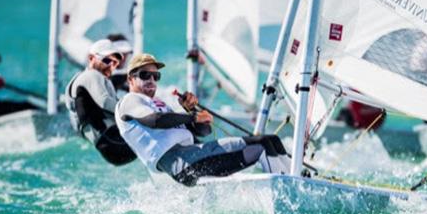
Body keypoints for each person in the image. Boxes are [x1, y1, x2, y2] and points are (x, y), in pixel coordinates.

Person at [115, 53, 290, 186]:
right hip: (183, 165)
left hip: (196, 152)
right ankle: (287, 191)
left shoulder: (159, 104)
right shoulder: (129, 101)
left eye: (156, 76)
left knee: (269, 140)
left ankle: (298, 178)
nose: (152, 80)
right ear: (130, 78)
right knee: (259, 149)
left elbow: (202, 132)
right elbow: (155, 121)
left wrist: (194, 113)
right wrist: (193, 115)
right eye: (145, 75)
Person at [65, 39, 137, 166]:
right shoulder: (92, 75)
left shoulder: (78, 79)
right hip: (112, 140)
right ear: (91, 58)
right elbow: (105, 102)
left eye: (115, 63)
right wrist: (138, 113)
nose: (111, 66)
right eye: (106, 60)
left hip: (105, 144)